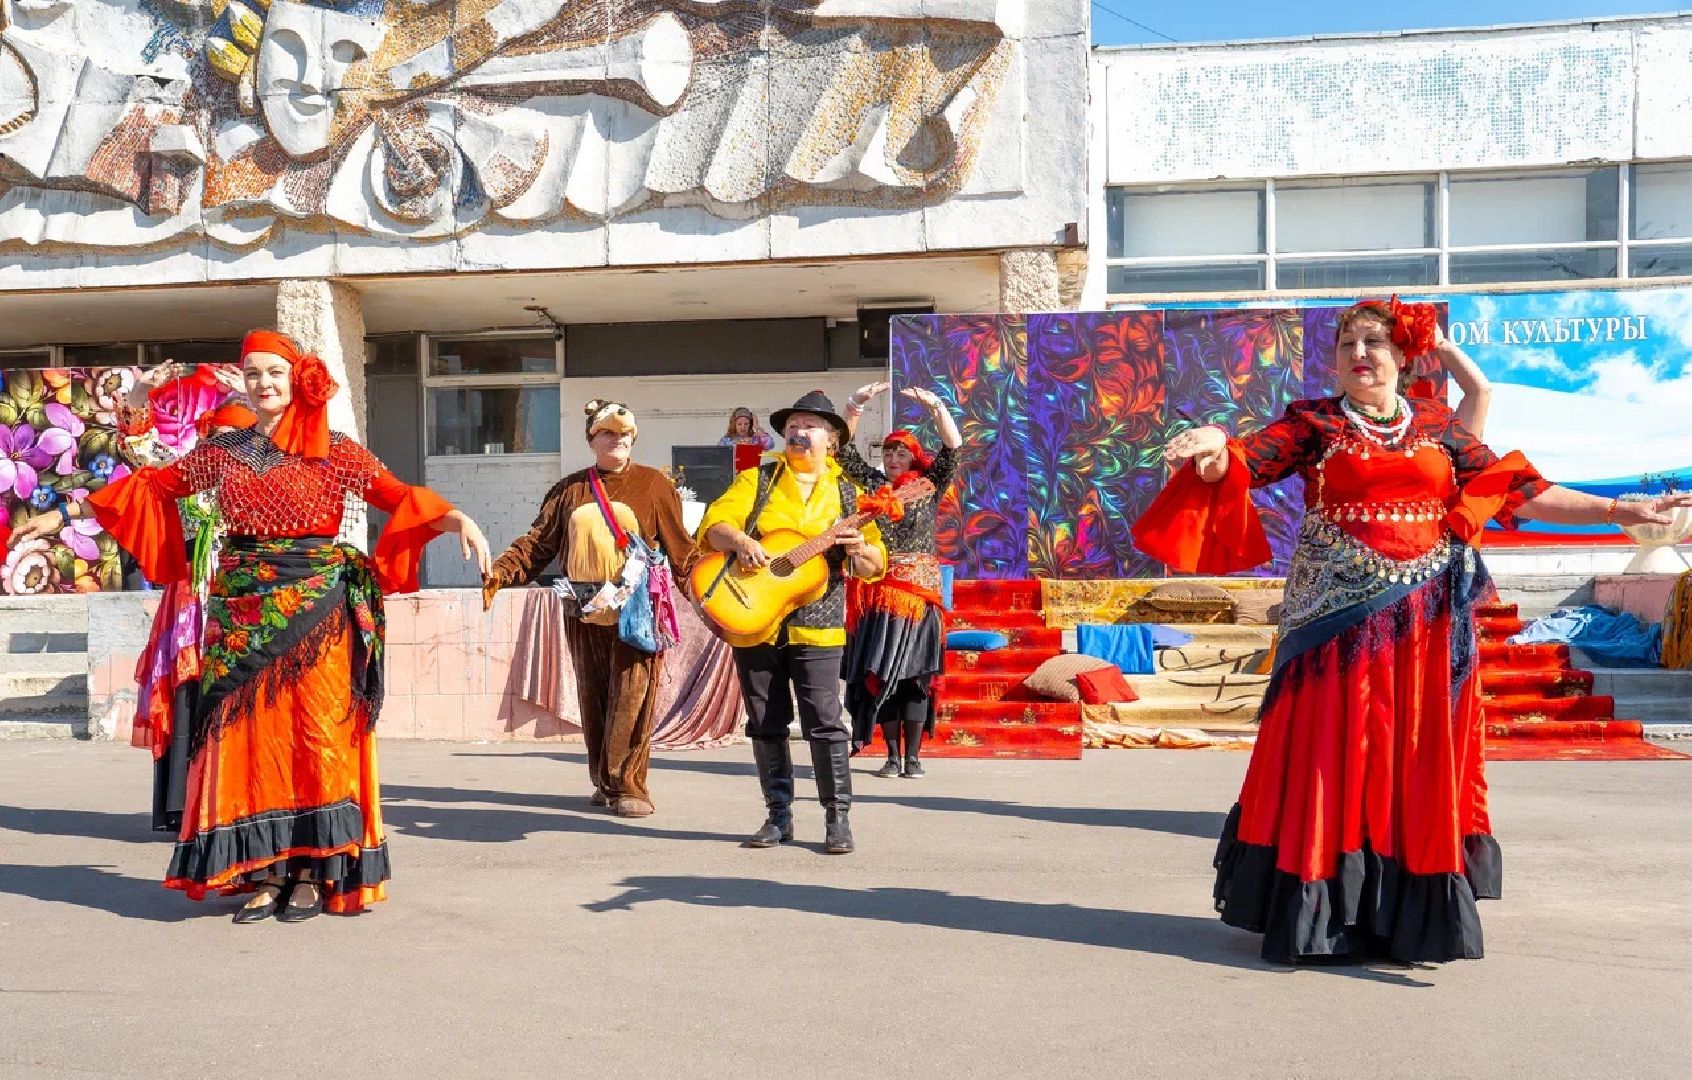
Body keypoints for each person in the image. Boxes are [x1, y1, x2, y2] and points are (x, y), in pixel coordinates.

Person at [1134, 297, 1692, 965]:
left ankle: (1406, 916)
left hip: (1424, 627)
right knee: (1331, 756)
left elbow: (1518, 489)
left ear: (1402, 357)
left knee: (1415, 756)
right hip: (1336, 628)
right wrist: (1216, 452)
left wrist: (1615, 506)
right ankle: (1326, 915)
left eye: (1374, 343)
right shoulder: (1313, 423)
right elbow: (1252, 460)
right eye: (1347, 345)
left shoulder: (1434, 424)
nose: (1360, 355)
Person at [9, 330, 493, 923]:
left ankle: (314, 871)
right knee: (249, 742)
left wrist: (457, 519)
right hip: (240, 613)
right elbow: (151, 487)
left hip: (319, 610)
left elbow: (397, 496)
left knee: (317, 737)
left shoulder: (336, 451)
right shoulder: (226, 450)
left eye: (274, 373)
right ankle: (263, 872)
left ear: (298, 379)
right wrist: (57, 515)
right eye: (254, 373)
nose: (263, 384)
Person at [481, 400, 699, 818]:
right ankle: (603, 778)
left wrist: (708, 596)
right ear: (591, 440)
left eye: (623, 434)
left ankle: (628, 784)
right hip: (582, 609)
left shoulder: (655, 485)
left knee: (633, 694)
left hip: (637, 609)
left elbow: (681, 550)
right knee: (594, 694)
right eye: (607, 434)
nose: (616, 441)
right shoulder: (570, 489)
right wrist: (500, 572)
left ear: (633, 439)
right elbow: (538, 544)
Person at [697, 391, 888, 854]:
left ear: (833, 439)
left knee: (824, 720)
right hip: (756, 615)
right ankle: (778, 816)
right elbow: (712, 524)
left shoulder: (851, 494)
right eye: (794, 425)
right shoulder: (756, 479)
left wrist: (861, 550)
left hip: (818, 619)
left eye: (811, 425)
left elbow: (875, 562)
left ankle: (837, 819)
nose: (800, 432)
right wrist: (741, 540)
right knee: (765, 719)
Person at [116, 360, 254, 834]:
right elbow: (141, 450)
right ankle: (188, 802)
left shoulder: (268, 474)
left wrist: (256, 396)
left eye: (239, 437)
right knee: (192, 695)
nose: (226, 448)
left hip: (247, 600)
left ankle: (238, 800)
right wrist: (138, 397)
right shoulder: (189, 476)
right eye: (219, 436)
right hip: (193, 604)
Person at [838, 380, 961, 778]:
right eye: (888, 451)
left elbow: (952, 450)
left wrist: (938, 409)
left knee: (916, 679)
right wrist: (855, 406)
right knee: (881, 676)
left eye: (901, 451)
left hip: (921, 597)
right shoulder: (875, 488)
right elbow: (843, 453)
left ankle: (914, 758)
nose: (893, 458)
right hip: (881, 593)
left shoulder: (929, 486)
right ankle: (891, 755)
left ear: (913, 456)